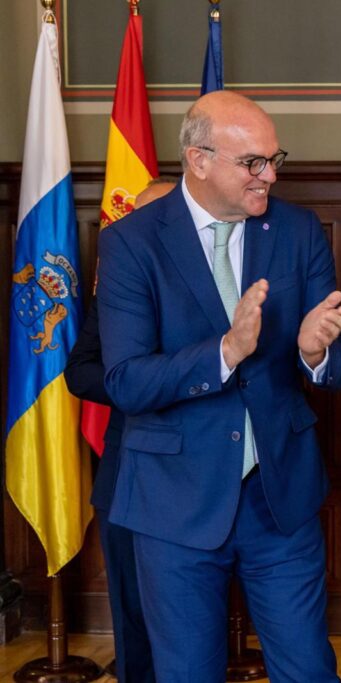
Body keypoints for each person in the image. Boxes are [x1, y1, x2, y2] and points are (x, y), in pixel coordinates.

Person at [96, 91, 341, 683]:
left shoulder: (297, 229)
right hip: (174, 504)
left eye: (273, 159)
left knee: (310, 671)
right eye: (252, 162)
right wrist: (225, 352)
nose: (270, 175)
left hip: (279, 498)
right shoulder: (131, 242)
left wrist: (314, 353)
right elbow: (126, 381)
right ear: (199, 160)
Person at [65, 177, 175, 683]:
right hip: (125, 475)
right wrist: (137, 384)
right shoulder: (117, 285)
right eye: (137, 218)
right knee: (131, 613)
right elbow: (79, 371)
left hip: (193, 475)